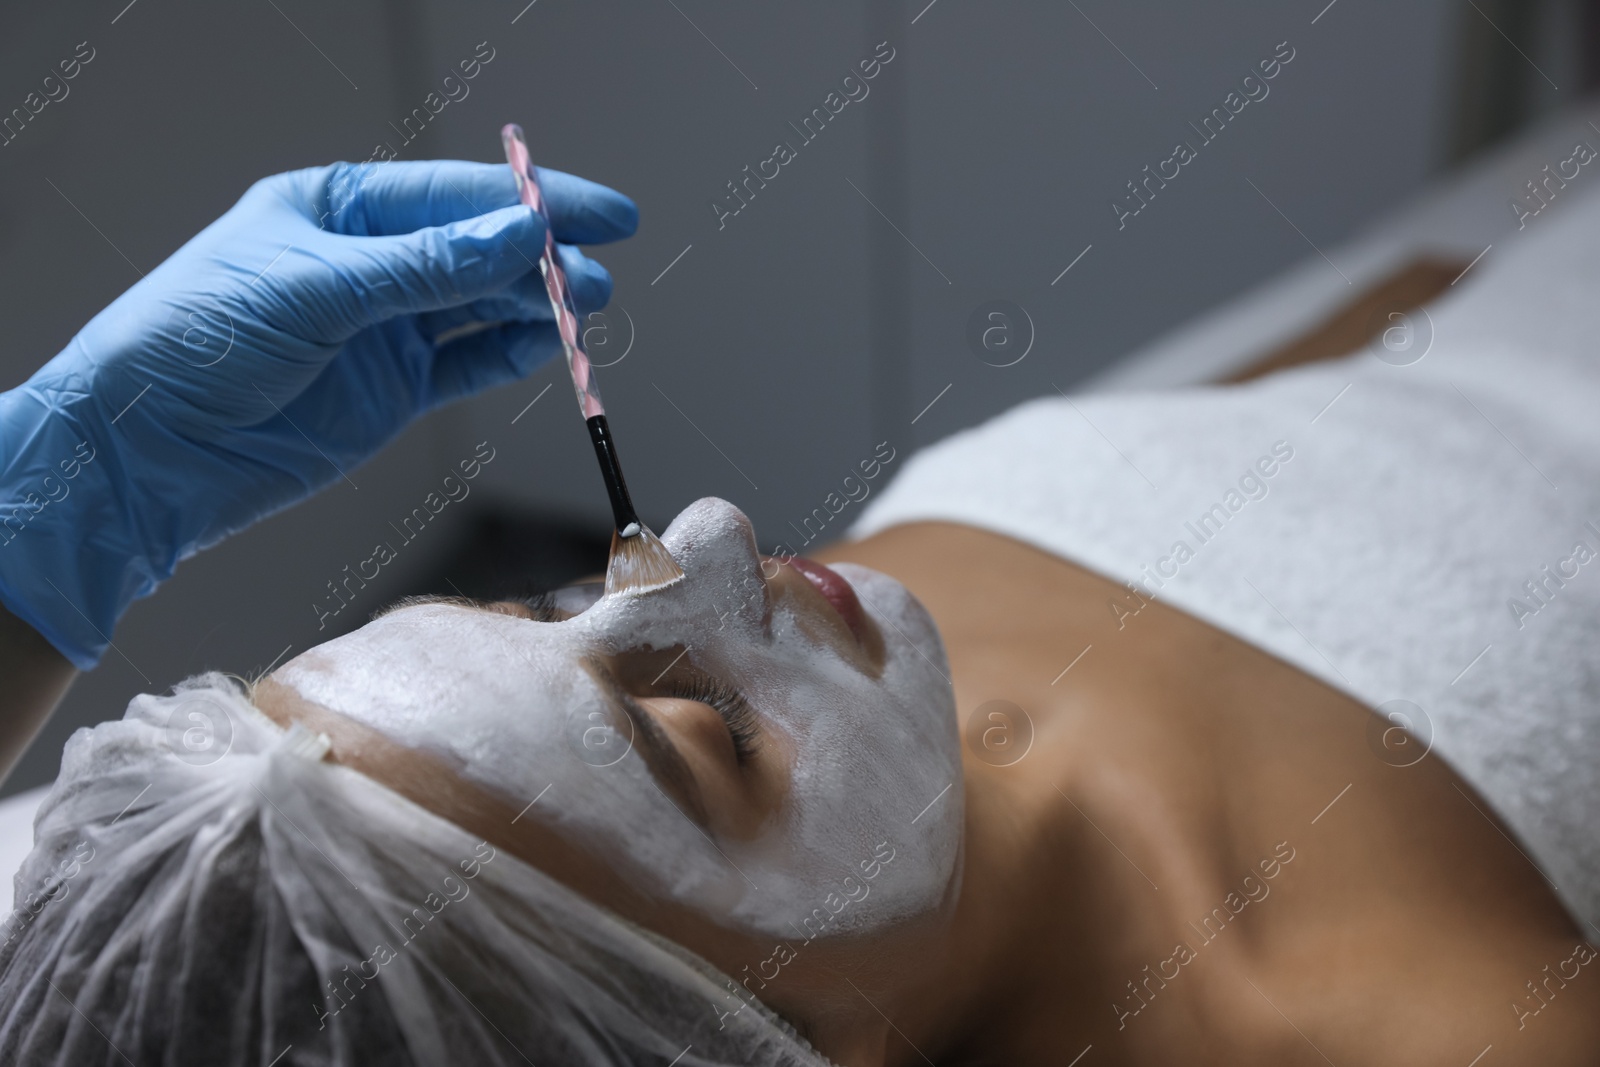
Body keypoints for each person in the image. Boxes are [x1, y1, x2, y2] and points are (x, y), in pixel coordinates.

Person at [1, 157, 1598, 1066]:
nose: (701, 534)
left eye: (546, 600)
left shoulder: (821, 706)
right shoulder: (1409, 1023)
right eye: (696, 730)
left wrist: (53, 512)